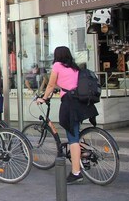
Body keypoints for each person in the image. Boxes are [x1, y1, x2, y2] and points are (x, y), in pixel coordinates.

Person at [35, 46, 98, 185]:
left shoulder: (57, 66)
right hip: (81, 102)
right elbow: (65, 84)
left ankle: (76, 173)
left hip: (70, 104)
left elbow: (50, 85)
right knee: (75, 131)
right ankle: (83, 156)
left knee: (72, 138)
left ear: (57, 56)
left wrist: (43, 98)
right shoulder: (74, 67)